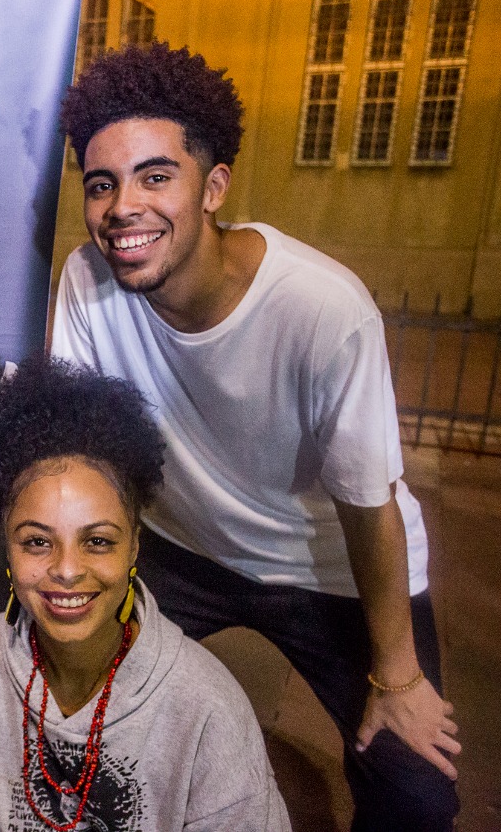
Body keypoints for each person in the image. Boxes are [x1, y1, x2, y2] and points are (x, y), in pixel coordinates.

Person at [50, 41, 459, 831]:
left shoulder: (322, 310)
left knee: (415, 792)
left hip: (331, 566)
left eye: (155, 176)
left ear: (214, 186)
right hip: (180, 546)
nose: (123, 205)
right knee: (66, 717)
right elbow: (76, 457)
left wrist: (399, 679)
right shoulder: (88, 282)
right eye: (103, 184)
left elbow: (368, 505)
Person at [0, 356, 288, 831]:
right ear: (6, 544)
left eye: (98, 541)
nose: (67, 570)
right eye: (37, 541)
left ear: (134, 542)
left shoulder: (206, 706)